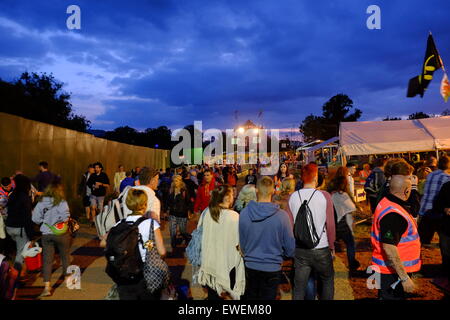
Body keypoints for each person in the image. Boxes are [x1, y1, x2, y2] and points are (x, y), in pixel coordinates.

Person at [240, 176, 295, 300]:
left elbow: (242, 244)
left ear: (256, 191)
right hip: (272, 266)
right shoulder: (282, 216)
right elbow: (290, 247)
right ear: (273, 191)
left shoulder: (244, 214)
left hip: (250, 265)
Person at [289, 164, 336, 300]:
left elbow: (290, 225)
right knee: (327, 280)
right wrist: (332, 246)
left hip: (301, 249)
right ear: (315, 177)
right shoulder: (325, 196)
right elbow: (331, 224)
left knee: (299, 287)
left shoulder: (293, 197)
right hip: (321, 247)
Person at [371, 175, 421, 300]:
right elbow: (389, 247)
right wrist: (404, 278)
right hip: (391, 273)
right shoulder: (394, 214)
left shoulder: (387, 201)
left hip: (387, 269)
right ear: (406, 191)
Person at [117, 189, 166, 300]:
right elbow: (162, 251)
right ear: (144, 205)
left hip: (125, 274)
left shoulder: (120, 223)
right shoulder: (151, 224)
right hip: (146, 274)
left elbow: (103, 242)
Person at [198, 185, 245, 300]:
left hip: (210, 262)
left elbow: (199, 236)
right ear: (228, 198)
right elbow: (240, 242)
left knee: (213, 294)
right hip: (228, 263)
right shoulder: (234, 216)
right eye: (232, 195)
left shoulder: (206, 213)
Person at [32, 182, 72, 298]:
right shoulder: (62, 202)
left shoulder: (41, 203)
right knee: (65, 256)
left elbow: (35, 219)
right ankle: (67, 279)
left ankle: (47, 287)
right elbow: (66, 217)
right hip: (61, 233)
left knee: (47, 260)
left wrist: (45, 220)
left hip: (46, 233)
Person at [328, 171, 360, 271]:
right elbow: (352, 208)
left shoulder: (330, 195)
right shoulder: (343, 195)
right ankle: (352, 264)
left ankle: (328, 267)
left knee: (330, 246)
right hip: (343, 225)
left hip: (332, 225)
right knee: (350, 243)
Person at [5, 174, 34, 277]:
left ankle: (22, 271)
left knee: (19, 249)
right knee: (20, 253)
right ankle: (15, 275)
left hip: (9, 227)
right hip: (19, 229)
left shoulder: (12, 195)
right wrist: (31, 235)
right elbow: (27, 217)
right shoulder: (25, 197)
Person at [418, 155, 450, 246]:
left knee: (423, 240)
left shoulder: (430, 175)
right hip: (436, 210)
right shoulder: (447, 178)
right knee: (445, 239)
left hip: (424, 208)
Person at [167, 175, 192, 251]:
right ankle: (173, 245)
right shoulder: (171, 190)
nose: (175, 182)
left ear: (180, 182)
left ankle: (189, 238)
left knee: (182, 231)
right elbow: (168, 201)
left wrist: (190, 212)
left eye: (177, 181)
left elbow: (188, 202)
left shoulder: (184, 191)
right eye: (174, 181)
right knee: (172, 230)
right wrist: (166, 210)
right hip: (172, 214)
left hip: (182, 214)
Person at [433, 179, 450, 285]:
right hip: (447, 226)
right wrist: (445, 209)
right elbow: (437, 204)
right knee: (446, 252)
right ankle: (445, 275)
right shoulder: (447, 186)